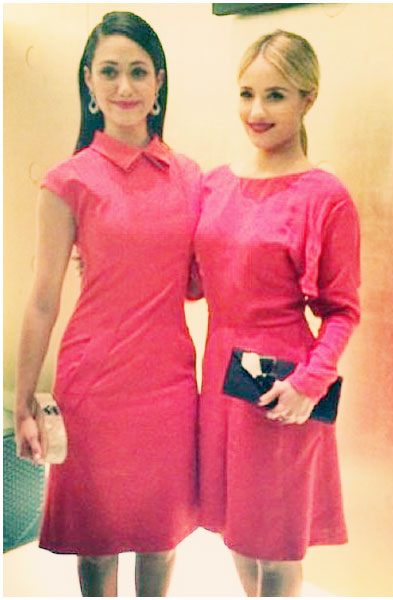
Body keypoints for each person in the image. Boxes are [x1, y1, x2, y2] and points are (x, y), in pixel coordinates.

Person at [14, 11, 202, 597]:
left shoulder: (191, 177)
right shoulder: (67, 181)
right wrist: (23, 400)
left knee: (160, 537)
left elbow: (201, 281)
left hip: (169, 386)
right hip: (93, 386)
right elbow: (42, 300)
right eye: (110, 71)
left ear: (159, 81)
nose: (125, 86)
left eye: (138, 72)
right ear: (89, 83)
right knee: (96, 545)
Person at [195, 30, 360, 596]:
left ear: (308, 98)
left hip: (281, 385)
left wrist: (310, 384)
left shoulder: (326, 196)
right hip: (218, 376)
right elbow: (190, 280)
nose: (256, 112)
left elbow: (342, 310)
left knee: (277, 544)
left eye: (275, 95)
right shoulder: (213, 185)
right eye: (246, 94)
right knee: (237, 535)